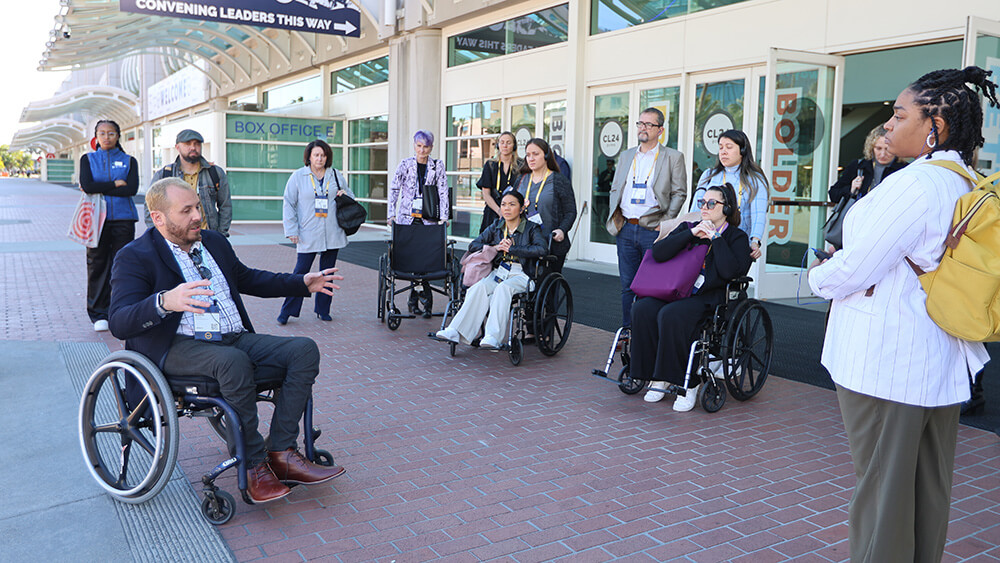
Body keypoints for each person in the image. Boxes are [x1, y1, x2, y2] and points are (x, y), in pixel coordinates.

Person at [808, 66, 997, 562]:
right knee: (926, 491)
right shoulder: (965, 180)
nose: (888, 125)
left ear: (935, 124)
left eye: (899, 114)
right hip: (937, 359)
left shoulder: (913, 185)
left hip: (889, 362)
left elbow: (857, 266)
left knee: (882, 498)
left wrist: (816, 278)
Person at [109, 177, 347, 504]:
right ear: (159, 218)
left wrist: (301, 283)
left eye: (198, 207)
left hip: (231, 338)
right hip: (176, 347)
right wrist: (165, 302)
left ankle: (281, 453)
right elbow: (120, 320)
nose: (198, 216)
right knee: (231, 363)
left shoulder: (213, 242)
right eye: (187, 210)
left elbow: (248, 278)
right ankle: (253, 466)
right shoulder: (135, 256)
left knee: (302, 350)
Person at [632, 183, 752, 410]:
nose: (704, 207)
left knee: (672, 314)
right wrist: (691, 234)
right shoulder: (689, 227)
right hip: (677, 290)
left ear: (726, 209)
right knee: (642, 308)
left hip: (710, 296)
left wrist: (715, 237)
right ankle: (654, 375)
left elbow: (731, 272)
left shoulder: (736, 237)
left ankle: (687, 383)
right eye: (702, 203)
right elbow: (658, 253)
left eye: (711, 203)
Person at [606, 108, 688, 329]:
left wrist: (667, 223)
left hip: (652, 229)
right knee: (627, 285)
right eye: (640, 123)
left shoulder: (673, 157)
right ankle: (627, 331)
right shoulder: (626, 155)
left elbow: (679, 192)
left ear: (660, 130)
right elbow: (616, 188)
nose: (642, 128)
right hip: (625, 228)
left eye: (648, 124)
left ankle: (647, 333)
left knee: (650, 285)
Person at [435, 191, 546, 349]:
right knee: (478, 287)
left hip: (523, 274)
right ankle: (455, 330)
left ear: (521, 209)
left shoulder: (531, 228)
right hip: (500, 271)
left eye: (512, 204)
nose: (506, 208)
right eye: (503, 204)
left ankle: (493, 337)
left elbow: (542, 249)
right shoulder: (497, 226)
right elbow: (473, 245)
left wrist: (514, 249)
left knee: (502, 289)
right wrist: (494, 247)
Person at [277, 139, 353, 325]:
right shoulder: (298, 176)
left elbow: (351, 196)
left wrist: (344, 195)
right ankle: (287, 311)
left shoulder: (335, 175)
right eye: (316, 155)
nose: (320, 158)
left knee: (327, 274)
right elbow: (289, 203)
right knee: (300, 273)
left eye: (323, 155)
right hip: (307, 232)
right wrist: (291, 230)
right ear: (309, 157)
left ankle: (323, 310)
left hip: (332, 232)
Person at [80, 119, 139, 332]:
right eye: (102, 133)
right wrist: (115, 184)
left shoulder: (129, 161)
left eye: (111, 133)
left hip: (124, 218)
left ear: (118, 136)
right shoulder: (87, 159)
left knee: (122, 264)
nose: (106, 137)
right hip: (96, 219)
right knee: (96, 264)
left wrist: (100, 188)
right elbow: (87, 186)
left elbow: (131, 189)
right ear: (96, 136)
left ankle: (120, 309)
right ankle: (98, 313)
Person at [389, 130, 449, 318]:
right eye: (419, 146)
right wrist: (391, 215)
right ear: (414, 146)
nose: (422, 150)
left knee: (425, 258)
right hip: (407, 217)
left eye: (426, 146)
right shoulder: (405, 165)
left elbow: (443, 191)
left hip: (428, 217)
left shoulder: (437, 166)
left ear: (431, 147)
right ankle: (419, 298)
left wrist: (444, 217)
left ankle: (421, 298)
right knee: (413, 258)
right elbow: (394, 189)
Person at [691, 130, 768, 260]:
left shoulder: (755, 179)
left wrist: (755, 241)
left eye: (729, 147)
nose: (723, 152)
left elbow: (758, 214)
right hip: (706, 241)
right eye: (720, 147)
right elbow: (695, 211)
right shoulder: (709, 175)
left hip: (736, 243)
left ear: (742, 150)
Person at [146, 129, 232, 237]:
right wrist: (160, 235)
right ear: (177, 147)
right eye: (187, 144)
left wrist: (220, 235)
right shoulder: (164, 175)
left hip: (207, 236)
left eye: (196, 144)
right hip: (176, 238)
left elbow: (225, 206)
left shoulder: (215, 173)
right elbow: (150, 208)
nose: (193, 147)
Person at [512, 138, 577, 271]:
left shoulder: (558, 180)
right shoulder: (521, 180)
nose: (531, 158)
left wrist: (562, 229)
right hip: (524, 243)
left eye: (535, 154)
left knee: (547, 284)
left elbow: (570, 211)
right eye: (528, 155)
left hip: (551, 243)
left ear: (546, 155)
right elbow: (511, 206)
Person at [828, 125, 906, 205]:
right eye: (878, 148)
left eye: (887, 149)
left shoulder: (905, 170)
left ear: (897, 148)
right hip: (860, 216)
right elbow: (833, 194)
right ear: (871, 148)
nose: (883, 154)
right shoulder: (858, 166)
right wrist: (851, 189)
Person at [477, 131, 522, 233]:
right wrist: (499, 211)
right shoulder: (490, 165)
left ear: (514, 146)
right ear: (498, 145)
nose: (505, 145)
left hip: (513, 213)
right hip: (493, 211)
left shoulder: (521, 165)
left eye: (508, 142)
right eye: (502, 142)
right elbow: (486, 194)